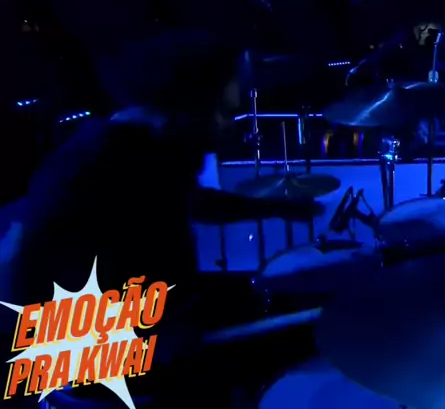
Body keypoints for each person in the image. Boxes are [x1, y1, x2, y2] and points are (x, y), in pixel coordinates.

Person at [0, 29, 321, 407]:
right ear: (187, 103)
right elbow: (17, 257)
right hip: (111, 359)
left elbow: (190, 202)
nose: (229, 123)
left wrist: (276, 208)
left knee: (290, 302)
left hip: (165, 311)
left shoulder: (162, 149)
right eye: (222, 110)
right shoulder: (92, 160)